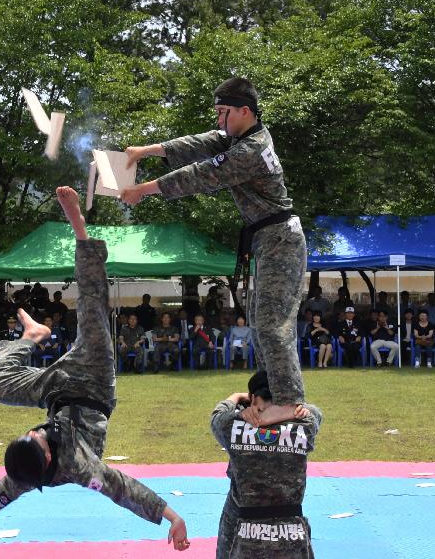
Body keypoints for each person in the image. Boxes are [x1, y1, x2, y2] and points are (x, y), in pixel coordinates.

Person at [0, 187, 189, 558]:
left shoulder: (21, 471)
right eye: (37, 440)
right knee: (92, 309)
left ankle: (31, 337)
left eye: (29, 434)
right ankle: (80, 229)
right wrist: (172, 517)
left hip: (54, 391)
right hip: (93, 381)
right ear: (47, 460)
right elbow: (122, 489)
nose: (35, 431)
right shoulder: (81, 467)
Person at [122, 77, 306, 411]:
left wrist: (142, 190)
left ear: (245, 111)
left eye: (224, 113)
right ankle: (270, 395)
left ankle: (289, 403)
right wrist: (146, 151)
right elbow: (200, 143)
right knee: (259, 321)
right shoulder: (242, 137)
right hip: (269, 238)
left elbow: (201, 174)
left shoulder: (251, 150)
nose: (219, 121)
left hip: (280, 239)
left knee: (270, 325)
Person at [211, 370, 321, 559]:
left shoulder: (233, 425)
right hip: (291, 530)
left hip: (246, 527)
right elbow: (317, 413)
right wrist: (292, 410)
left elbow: (217, 415)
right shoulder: (304, 424)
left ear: (253, 399)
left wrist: (238, 397)